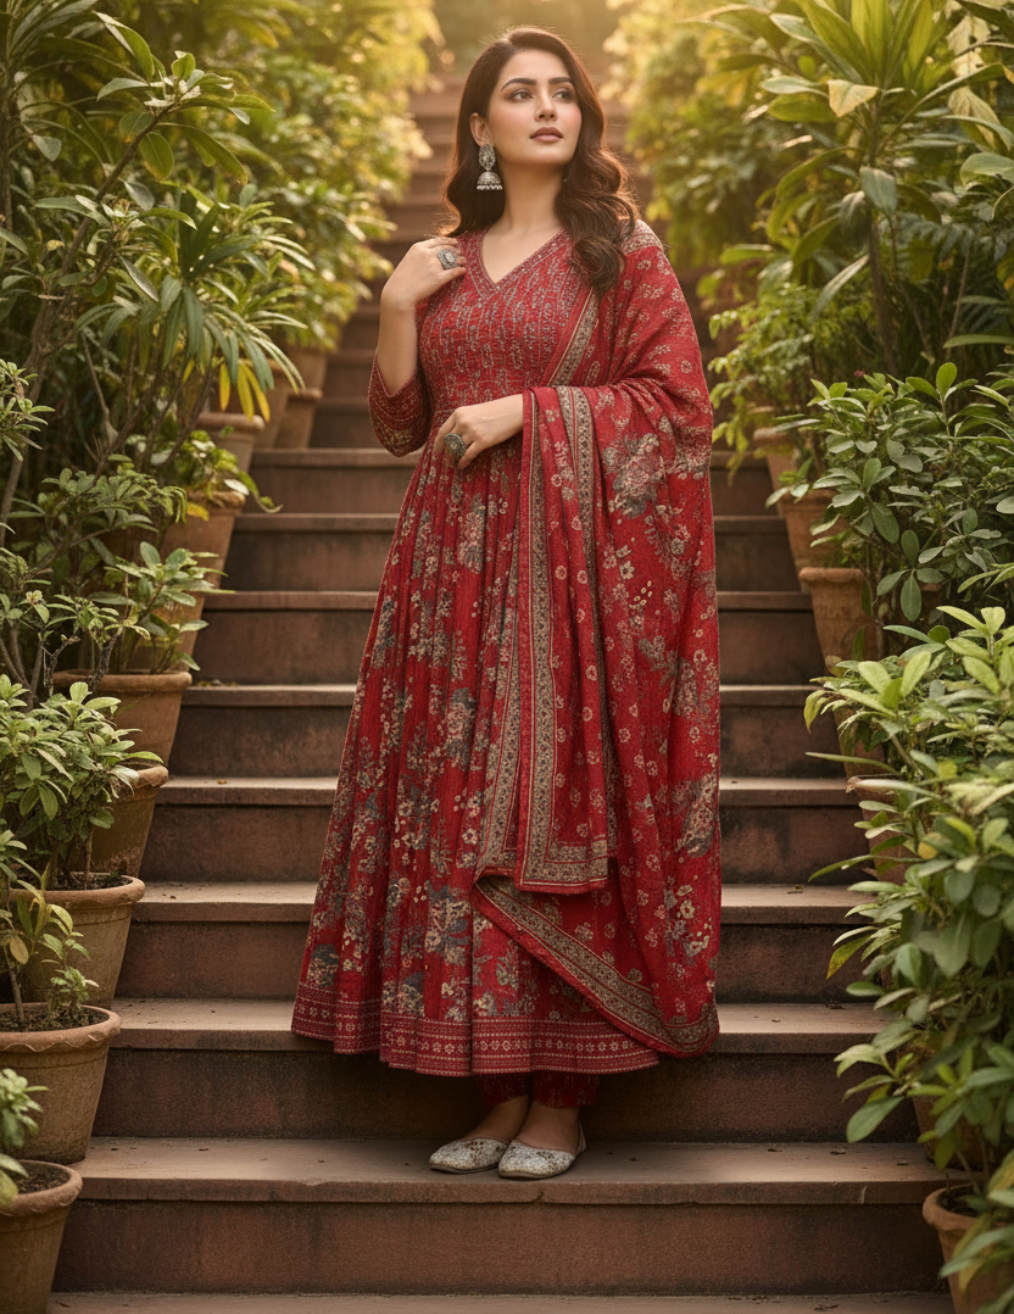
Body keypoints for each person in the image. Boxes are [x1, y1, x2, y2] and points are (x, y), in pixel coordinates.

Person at [291, 26, 721, 1181]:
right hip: (447, 579)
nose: (546, 108)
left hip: (570, 585)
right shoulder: (444, 260)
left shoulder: (618, 252)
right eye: (520, 94)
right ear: (479, 125)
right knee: (455, 812)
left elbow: (679, 409)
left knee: (541, 812)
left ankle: (561, 1100)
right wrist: (396, 307)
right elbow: (400, 425)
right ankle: (498, 1089)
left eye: (562, 92)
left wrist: (528, 411)